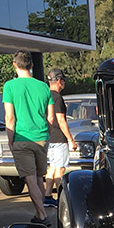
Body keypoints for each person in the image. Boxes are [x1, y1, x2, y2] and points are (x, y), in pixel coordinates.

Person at [3, 49, 54, 224]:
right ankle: (40, 214)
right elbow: (50, 117)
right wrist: (46, 134)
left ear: (14, 65)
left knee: (30, 179)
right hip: (41, 138)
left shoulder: (10, 86)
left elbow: (10, 117)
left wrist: (10, 140)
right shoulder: (44, 86)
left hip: (22, 138)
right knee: (39, 178)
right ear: (31, 65)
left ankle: (42, 215)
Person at [42, 67, 78, 206]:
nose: (64, 83)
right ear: (58, 81)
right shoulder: (57, 98)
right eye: (63, 80)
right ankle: (62, 199)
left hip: (49, 137)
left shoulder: (45, 96)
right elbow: (61, 120)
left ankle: (47, 196)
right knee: (60, 169)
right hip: (58, 138)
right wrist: (70, 140)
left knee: (52, 168)